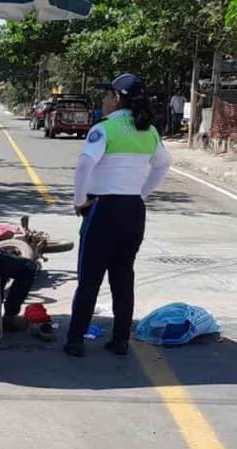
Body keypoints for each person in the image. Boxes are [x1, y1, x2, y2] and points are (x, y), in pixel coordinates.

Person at [65, 73, 170, 358]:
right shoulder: (148, 131)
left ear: (117, 98)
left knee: (89, 278)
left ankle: (75, 340)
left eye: (107, 95)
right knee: (123, 278)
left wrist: (79, 200)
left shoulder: (105, 129)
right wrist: (140, 193)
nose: (104, 100)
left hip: (103, 211)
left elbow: (84, 165)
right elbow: (163, 166)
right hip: (133, 212)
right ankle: (120, 340)